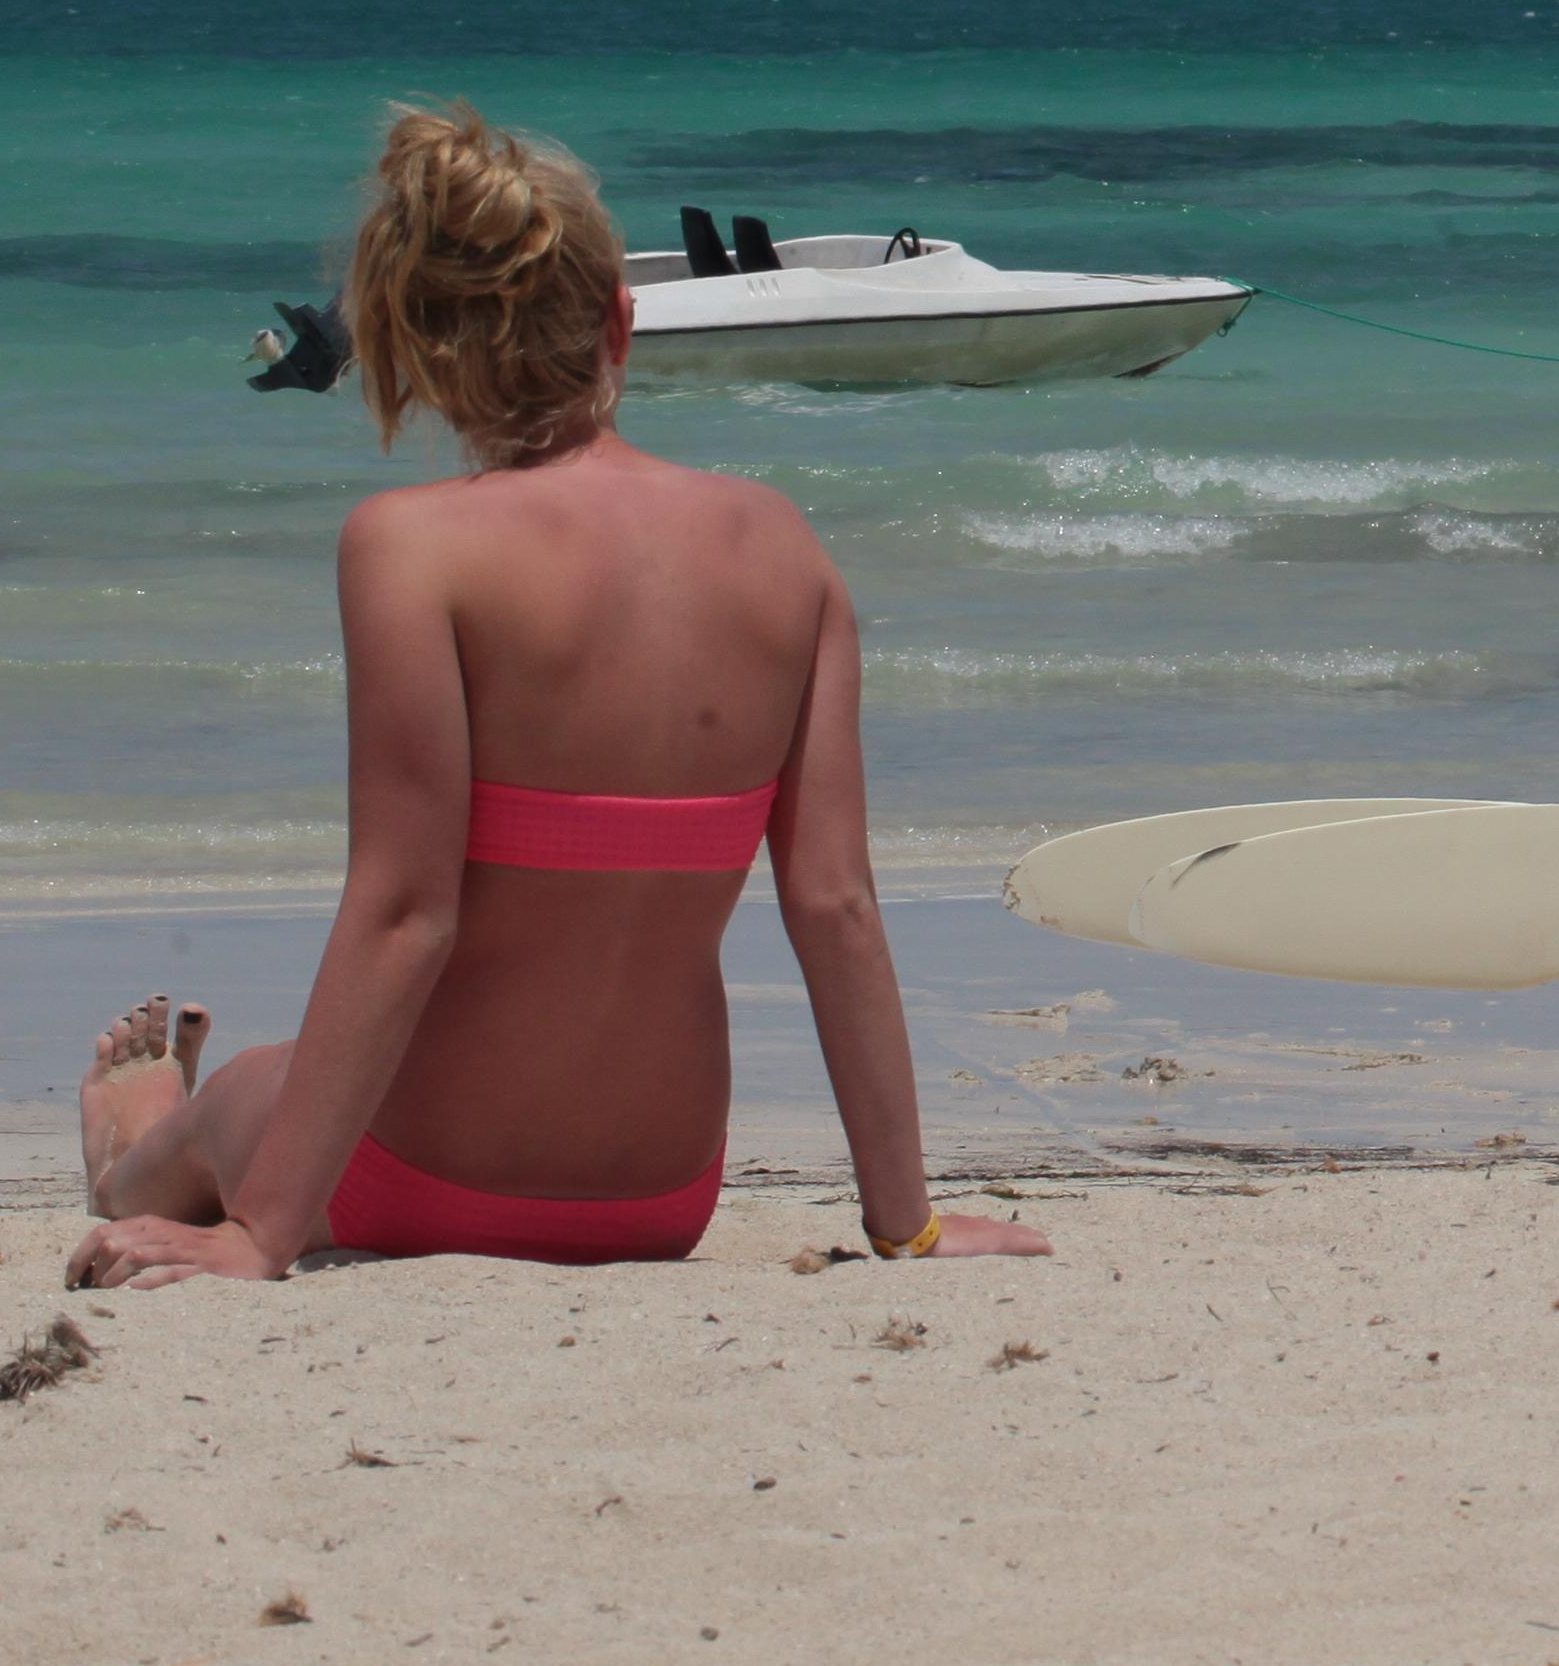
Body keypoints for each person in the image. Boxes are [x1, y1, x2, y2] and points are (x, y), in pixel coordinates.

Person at [70, 104, 1047, 1282]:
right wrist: (911, 1226)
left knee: (242, 1095)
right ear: (623, 321)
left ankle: (131, 1150)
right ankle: (166, 1135)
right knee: (267, 1085)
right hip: (658, 1195)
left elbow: (403, 913)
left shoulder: (409, 549)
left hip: (418, 1175)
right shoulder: (784, 548)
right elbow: (834, 905)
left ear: (411, 351)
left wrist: (264, 1238)